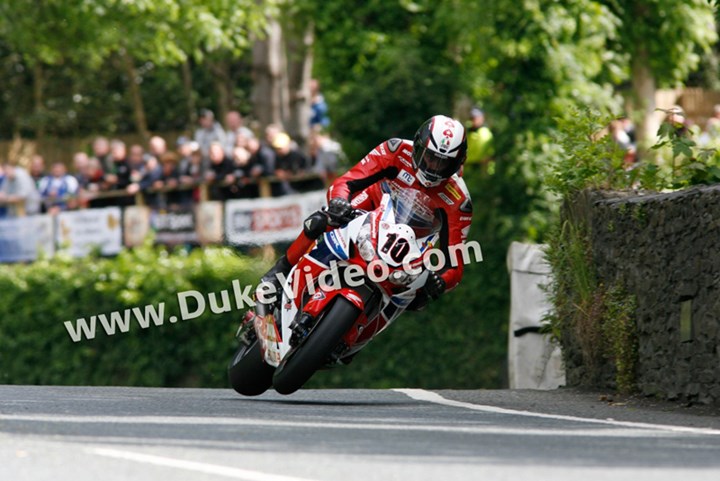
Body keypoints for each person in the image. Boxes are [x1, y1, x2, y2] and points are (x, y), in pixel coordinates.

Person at [259, 114, 472, 310]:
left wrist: (441, 282)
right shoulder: (395, 150)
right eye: (430, 158)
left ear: (457, 163)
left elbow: (455, 263)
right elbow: (347, 181)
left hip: (413, 244)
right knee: (323, 219)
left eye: (444, 163)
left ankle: (350, 342)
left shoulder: (459, 199)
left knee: (418, 299)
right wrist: (339, 201)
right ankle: (280, 271)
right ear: (418, 146)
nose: (434, 167)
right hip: (372, 205)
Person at [465, 107, 494, 174]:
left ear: (482, 118)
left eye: (476, 117)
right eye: (472, 118)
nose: (474, 120)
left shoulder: (484, 133)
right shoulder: (469, 131)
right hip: (467, 168)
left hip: (478, 168)